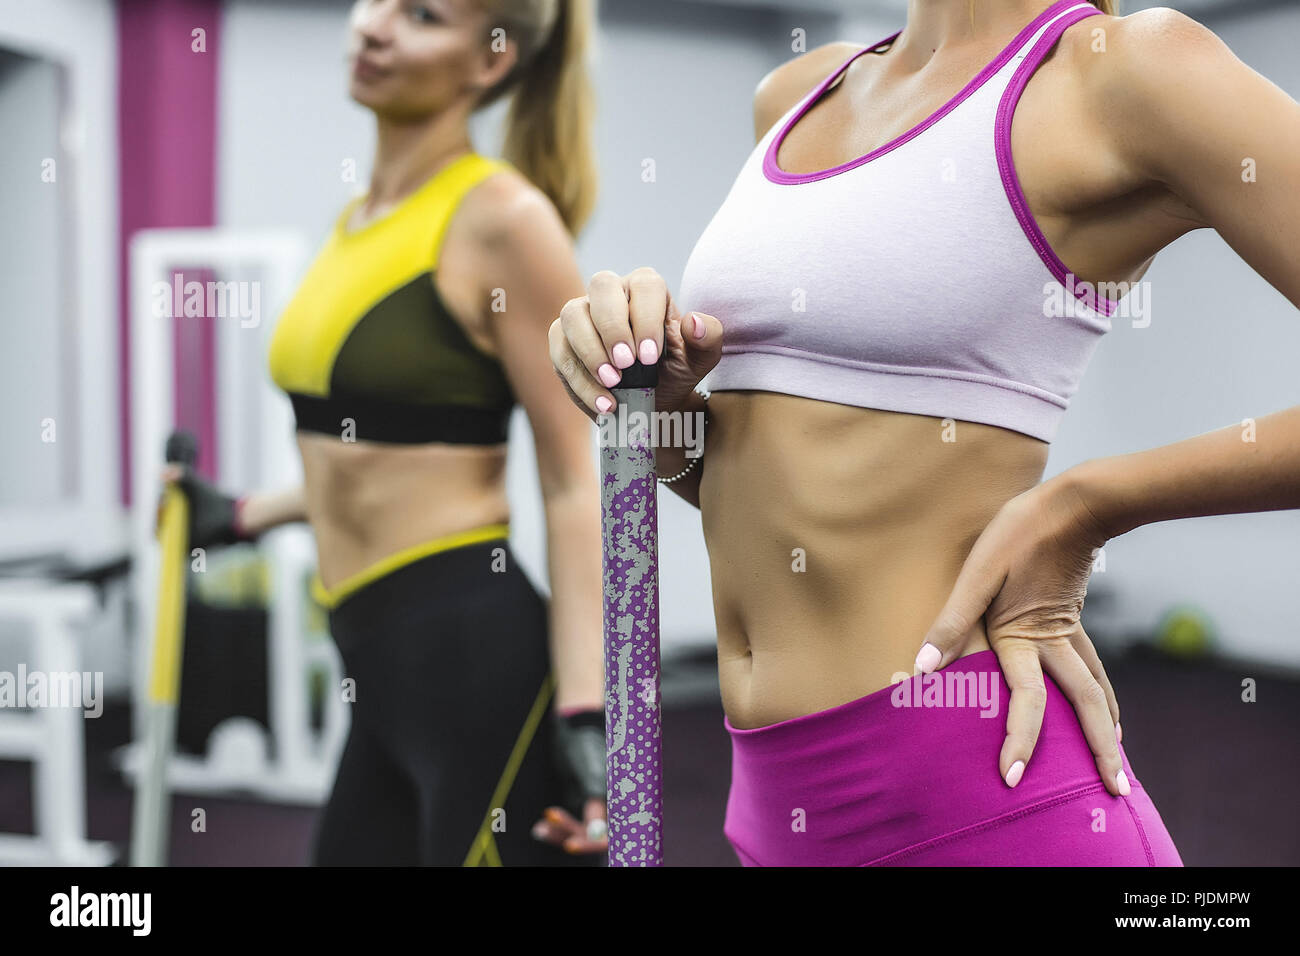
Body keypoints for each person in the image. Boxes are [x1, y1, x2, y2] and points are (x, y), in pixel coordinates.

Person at [550, 0, 1300, 865]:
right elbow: (750, 492)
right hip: (773, 805)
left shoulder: (1125, 71)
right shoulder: (798, 93)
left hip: (986, 796)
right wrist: (659, 407)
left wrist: (1089, 504)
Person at [166, 0, 608, 866]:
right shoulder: (357, 222)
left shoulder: (505, 222)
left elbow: (569, 483)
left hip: (470, 657)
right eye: (378, 1)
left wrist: (588, 713)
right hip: (373, 661)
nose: (373, 25)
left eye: (423, 16)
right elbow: (378, 453)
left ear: (488, 60)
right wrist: (245, 513)